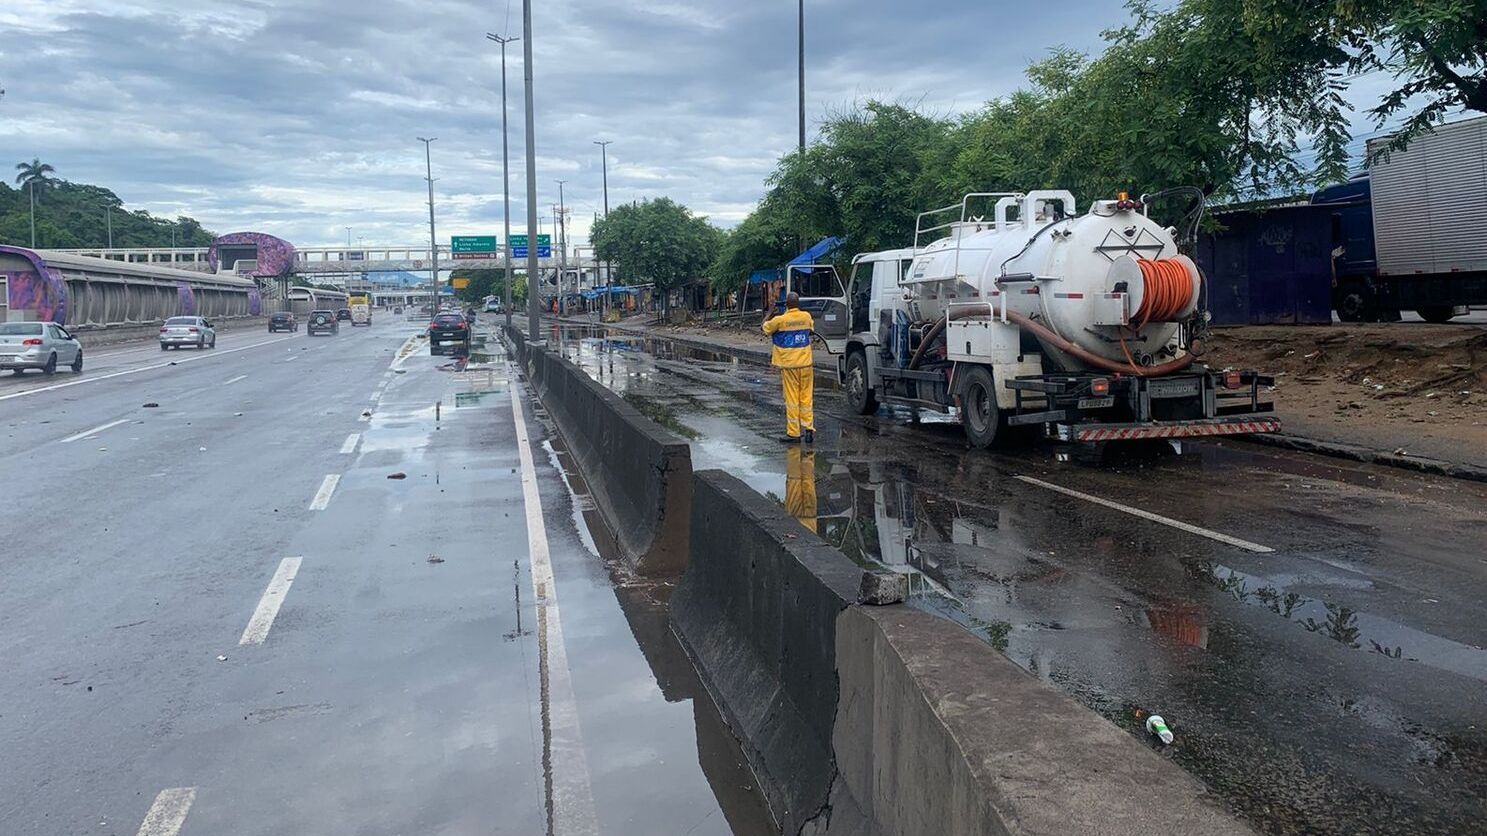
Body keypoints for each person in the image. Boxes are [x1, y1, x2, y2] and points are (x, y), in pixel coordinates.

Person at [762, 291, 815, 443]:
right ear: (798, 304)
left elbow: (765, 328)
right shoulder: (806, 316)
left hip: (790, 365)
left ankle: (794, 433)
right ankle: (809, 429)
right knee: (806, 398)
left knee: (792, 399)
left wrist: (770, 312)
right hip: (806, 364)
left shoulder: (780, 320)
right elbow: (811, 330)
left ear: (786, 305)